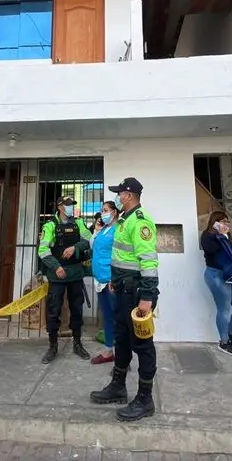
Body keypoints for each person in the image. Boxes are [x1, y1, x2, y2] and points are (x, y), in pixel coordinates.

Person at [89, 177, 159, 422]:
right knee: (121, 339)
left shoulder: (140, 222)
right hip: (121, 290)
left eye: (119, 193)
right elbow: (120, 257)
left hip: (138, 294)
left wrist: (147, 298)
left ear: (129, 195)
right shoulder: (124, 221)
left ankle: (145, 399)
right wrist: (114, 280)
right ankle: (118, 387)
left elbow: (148, 262)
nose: (117, 196)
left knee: (143, 345)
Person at [37, 195, 93, 364]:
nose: (71, 207)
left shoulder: (79, 223)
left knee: (77, 309)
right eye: (68, 205)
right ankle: (52, 345)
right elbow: (43, 250)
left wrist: (75, 247)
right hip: (57, 275)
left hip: (75, 273)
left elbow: (90, 240)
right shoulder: (50, 226)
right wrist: (56, 266)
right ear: (60, 207)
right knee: (54, 311)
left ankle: (77, 343)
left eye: (72, 205)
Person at [200, 211, 232, 356]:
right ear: (215, 222)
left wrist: (225, 236)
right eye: (223, 221)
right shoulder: (207, 236)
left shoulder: (226, 237)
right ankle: (224, 341)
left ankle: (230, 332)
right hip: (215, 275)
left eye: (227, 221)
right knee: (224, 308)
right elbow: (212, 250)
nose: (226, 224)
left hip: (231, 275)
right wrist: (220, 236)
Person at [90, 201, 120, 365]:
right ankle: (109, 351)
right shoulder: (104, 230)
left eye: (106, 210)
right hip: (99, 280)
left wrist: (114, 278)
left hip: (111, 281)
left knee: (118, 319)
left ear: (114, 212)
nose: (103, 213)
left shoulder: (118, 229)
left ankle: (123, 357)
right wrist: (96, 231)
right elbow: (93, 246)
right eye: (102, 211)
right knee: (107, 318)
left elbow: (119, 255)